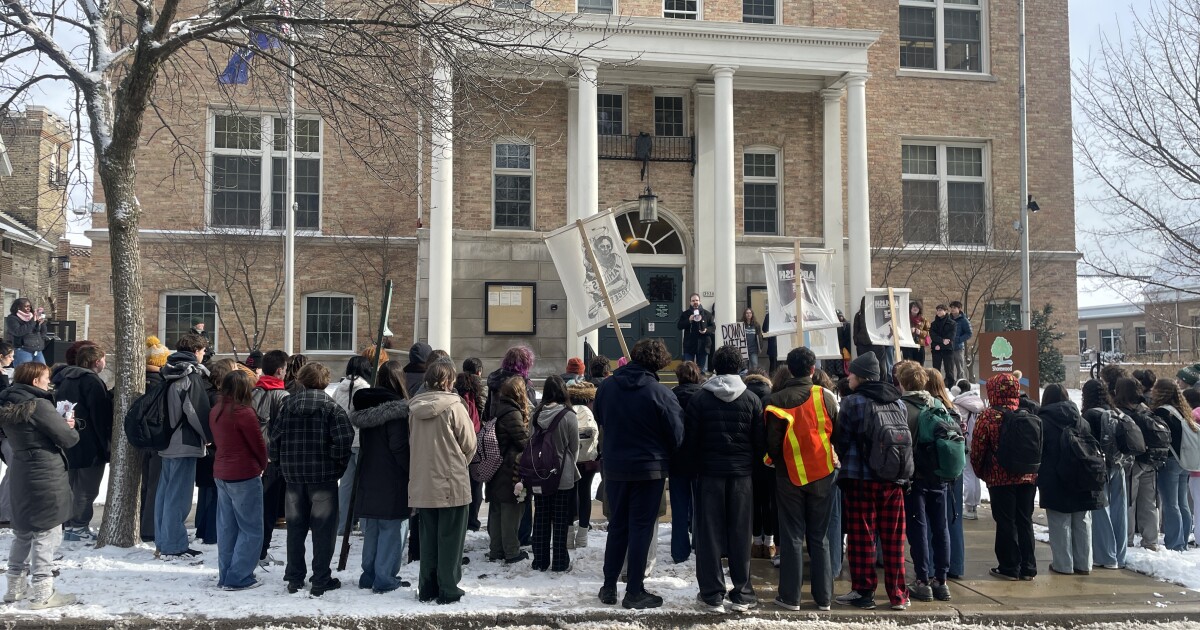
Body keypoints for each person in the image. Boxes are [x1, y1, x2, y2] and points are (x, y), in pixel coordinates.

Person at [593, 338, 683, 610]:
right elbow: (677, 434)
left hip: (617, 466)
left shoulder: (607, 386)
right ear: (658, 363)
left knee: (617, 525)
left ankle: (609, 586)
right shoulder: (660, 393)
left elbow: (600, 418)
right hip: (649, 469)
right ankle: (634, 590)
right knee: (641, 528)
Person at [685, 346, 763, 613]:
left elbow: (691, 441)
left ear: (715, 367)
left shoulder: (699, 399)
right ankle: (742, 592)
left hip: (709, 474)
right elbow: (759, 442)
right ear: (740, 366)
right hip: (741, 475)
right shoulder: (752, 399)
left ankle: (711, 593)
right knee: (741, 533)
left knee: (709, 534)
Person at [833, 352, 910, 611]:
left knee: (862, 537)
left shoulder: (852, 402)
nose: (849, 377)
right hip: (893, 478)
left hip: (860, 480)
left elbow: (841, 440)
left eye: (852, 373)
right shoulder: (897, 402)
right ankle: (898, 594)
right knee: (893, 538)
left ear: (861, 377)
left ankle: (864, 592)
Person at [765, 347, 839, 612]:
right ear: (812, 369)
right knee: (820, 537)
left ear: (789, 369)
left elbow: (772, 446)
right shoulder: (826, 398)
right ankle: (824, 598)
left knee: (792, 536)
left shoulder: (775, 401)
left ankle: (790, 597)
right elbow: (837, 435)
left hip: (789, 475)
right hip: (823, 473)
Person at [0, 363, 79, 608]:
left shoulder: (6, 402)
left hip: (21, 468)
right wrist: (69, 426)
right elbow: (67, 439)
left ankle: (14, 588)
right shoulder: (39, 405)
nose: (49, 383)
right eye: (46, 378)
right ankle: (43, 592)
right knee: (46, 531)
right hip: (45, 471)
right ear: (35, 381)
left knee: (23, 531)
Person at [271, 363, 353, 596]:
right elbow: (344, 440)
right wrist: (337, 465)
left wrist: (280, 466)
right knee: (323, 530)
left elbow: (274, 440)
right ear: (325, 382)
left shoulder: (287, 407)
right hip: (323, 477)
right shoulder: (331, 409)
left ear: (301, 380)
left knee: (295, 528)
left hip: (294, 477)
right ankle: (320, 577)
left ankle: (295, 576)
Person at [408, 361, 476, 604]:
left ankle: (427, 586)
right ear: (449, 381)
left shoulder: (414, 408)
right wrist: (459, 462)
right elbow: (469, 443)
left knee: (428, 539)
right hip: (451, 480)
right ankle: (448, 588)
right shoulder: (455, 407)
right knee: (451, 539)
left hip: (423, 480)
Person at [349, 360, 411, 593]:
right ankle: (385, 578)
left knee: (373, 529)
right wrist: (411, 471)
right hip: (392, 477)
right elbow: (398, 448)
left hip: (368, 474)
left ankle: (369, 575)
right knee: (393, 530)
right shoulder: (397, 411)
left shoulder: (366, 407)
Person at [893, 362, 952, 603]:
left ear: (903, 383)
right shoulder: (938, 404)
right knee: (941, 527)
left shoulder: (901, 407)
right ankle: (942, 580)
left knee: (918, 528)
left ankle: (922, 580)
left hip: (915, 477)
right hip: (938, 474)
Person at [971, 373, 1037, 581]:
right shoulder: (1028, 412)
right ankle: (1028, 566)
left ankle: (1009, 566)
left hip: (1000, 478)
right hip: (1027, 475)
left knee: (1006, 521)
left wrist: (981, 471)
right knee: (1025, 520)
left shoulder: (988, 416)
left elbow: (978, 448)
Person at [155, 333, 212, 560]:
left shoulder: (168, 371)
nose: (205, 354)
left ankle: (164, 540)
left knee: (165, 494)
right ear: (196, 351)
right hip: (185, 442)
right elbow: (195, 411)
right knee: (179, 497)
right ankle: (174, 545)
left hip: (167, 441)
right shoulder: (190, 376)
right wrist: (208, 436)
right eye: (203, 350)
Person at [1038, 384, 1104, 575]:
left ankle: (1063, 565)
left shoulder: (1043, 421)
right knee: (1083, 521)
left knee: (1060, 522)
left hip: (1055, 479)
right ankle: (1084, 564)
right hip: (1083, 476)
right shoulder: (1081, 421)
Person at [210, 369, 268, 591]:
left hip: (222, 473)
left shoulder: (217, 410)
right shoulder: (244, 413)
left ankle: (226, 574)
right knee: (251, 528)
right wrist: (263, 465)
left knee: (227, 528)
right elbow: (258, 445)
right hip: (243, 473)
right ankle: (239, 576)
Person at [53, 343, 112, 542]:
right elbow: (100, 414)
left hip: (68, 440)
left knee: (71, 485)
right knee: (87, 488)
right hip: (90, 443)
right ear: (97, 361)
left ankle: (69, 524)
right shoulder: (91, 381)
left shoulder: (63, 378)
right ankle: (79, 526)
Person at [529, 376, 580, 572]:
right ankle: (560, 561)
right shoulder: (568, 416)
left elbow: (529, 441)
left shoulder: (536, 414)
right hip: (562, 473)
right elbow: (574, 447)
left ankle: (540, 560)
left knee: (541, 516)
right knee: (560, 519)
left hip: (540, 472)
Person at [1082, 379, 1128, 570]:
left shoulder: (1089, 415)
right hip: (1119, 464)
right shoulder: (1115, 412)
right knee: (1120, 510)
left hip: (1099, 467)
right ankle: (1120, 555)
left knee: (1101, 510)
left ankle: (1106, 556)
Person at [925, 368, 966, 580]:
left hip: (934, 471)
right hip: (954, 470)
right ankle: (956, 565)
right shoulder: (954, 410)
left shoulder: (929, 409)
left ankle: (932, 567)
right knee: (954, 518)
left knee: (932, 522)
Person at [1112, 377, 1162, 550]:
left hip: (1132, 462)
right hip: (1151, 461)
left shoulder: (1121, 411)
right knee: (1149, 502)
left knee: (1129, 501)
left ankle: (1127, 538)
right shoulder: (1146, 408)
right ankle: (1151, 541)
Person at [486, 376, 531, 565]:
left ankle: (496, 550)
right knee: (511, 509)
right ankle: (511, 551)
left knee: (497, 509)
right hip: (509, 467)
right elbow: (523, 441)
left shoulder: (496, 408)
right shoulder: (512, 413)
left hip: (495, 466)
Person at [252, 349, 290, 566]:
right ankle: (261, 551)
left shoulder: (252, 391)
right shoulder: (282, 396)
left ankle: (256, 549)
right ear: (279, 371)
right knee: (268, 510)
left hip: (253, 457)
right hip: (272, 460)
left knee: (255, 508)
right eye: (284, 369)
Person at [1150, 378, 1196, 552]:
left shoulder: (1162, 412)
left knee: (1170, 503)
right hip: (1185, 460)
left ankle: (1174, 543)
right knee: (1182, 502)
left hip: (1169, 461)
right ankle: (1182, 540)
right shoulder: (1183, 411)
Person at [331, 355, 373, 536]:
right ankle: (365, 525)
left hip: (344, 442)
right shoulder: (366, 388)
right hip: (362, 441)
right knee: (364, 485)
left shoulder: (338, 389)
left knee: (346, 486)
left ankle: (343, 526)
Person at [669, 361, 703, 564]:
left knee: (679, 507)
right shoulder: (704, 396)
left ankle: (679, 551)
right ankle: (699, 543)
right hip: (699, 457)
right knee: (700, 506)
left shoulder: (671, 396)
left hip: (677, 458)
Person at [744, 368, 778, 565]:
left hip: (749, 458)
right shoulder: (772, 397)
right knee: (770, 502)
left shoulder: (744, 395)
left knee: (755, 501)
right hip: (770, 457)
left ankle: (756, 542)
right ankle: (770, 543)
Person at [566, 377, 599, 550]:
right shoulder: (592, 409)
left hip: (571, 458)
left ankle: (569, 534)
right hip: (588, 460)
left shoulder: (569, 410)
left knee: (571, 494)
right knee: (585, 493)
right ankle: (583, 535)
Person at [456, 358, 487, 532]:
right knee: (476, 483)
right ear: (479, 371)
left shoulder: (456, 387)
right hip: (477, 439)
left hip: (458, 439)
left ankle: (462, 519)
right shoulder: (481, 389)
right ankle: (472, 521)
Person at [951, 379, 985, 522]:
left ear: (957, 390)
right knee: (975, 475)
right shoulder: (979, 402)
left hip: (965, 442)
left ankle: (969, 507)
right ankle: (974, 506)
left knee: (967, 474)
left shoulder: (958, 404)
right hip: (978, 442)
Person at [678, 294, 714, 373]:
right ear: (690, 302)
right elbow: (679, 326)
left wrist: (706, 330)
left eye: (697, 300)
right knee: (688, 370)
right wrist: (689, 320)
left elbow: (713, 327)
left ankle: (700, 385)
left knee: (701, 371)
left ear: (700, 301)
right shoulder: (685, 314)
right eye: (693, 301)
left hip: (703, 345)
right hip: (689, 345)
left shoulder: (707, 314)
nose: (695, 302)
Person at [4, 299, 46, 367]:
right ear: (18, 307)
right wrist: (33, 321)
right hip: (23, 350)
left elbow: (40, 331)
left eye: (29, 306)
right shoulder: (12, 318)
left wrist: (41, 323)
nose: (28, 308)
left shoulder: (32, 316)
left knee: (42, 371)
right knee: (24, 373)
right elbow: (18, 332)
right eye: (26, 306)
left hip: (37, 350)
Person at [929, 305, 955, 382]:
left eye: (940, 310)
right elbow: (933, 335)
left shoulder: (952, 323)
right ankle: (936, 385)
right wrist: (941, 342)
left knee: (949, 369)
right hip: (936, 349)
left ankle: (950, 386)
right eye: (937, 310)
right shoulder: (933, 324)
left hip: (948, 349)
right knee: (936, 370)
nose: (938, 312)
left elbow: (951, 336)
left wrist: (940, 344)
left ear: (945, 311)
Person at [948, 301, 972, 382]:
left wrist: (958, 339)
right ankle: (950, 384)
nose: (952, 309)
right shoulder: (947, 319)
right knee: (949, 367)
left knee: (959, 367)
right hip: (948, 347)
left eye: (954, 308)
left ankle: (961, 384)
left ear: (959, 309)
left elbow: (969, 333)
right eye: (951, 308)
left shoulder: (963, 320)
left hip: (958, 348)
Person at [762, 308, 780, 374]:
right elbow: (764, 329)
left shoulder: (769, 316)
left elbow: (764, 329)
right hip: (774, 344)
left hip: (776, 344)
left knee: (774, 364)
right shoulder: (769, 316)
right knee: (774, 364)